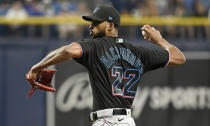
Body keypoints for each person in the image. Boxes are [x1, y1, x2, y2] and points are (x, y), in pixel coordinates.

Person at [26, 5, 186, 126]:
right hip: (128, 122)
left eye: (96, 23)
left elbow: (68, 50)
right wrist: (159, 41)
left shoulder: (96, 46)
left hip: (107, 122)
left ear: (110, 26)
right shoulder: (139, 52)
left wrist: (36, 67)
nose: (91, 26)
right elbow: (179, 57)